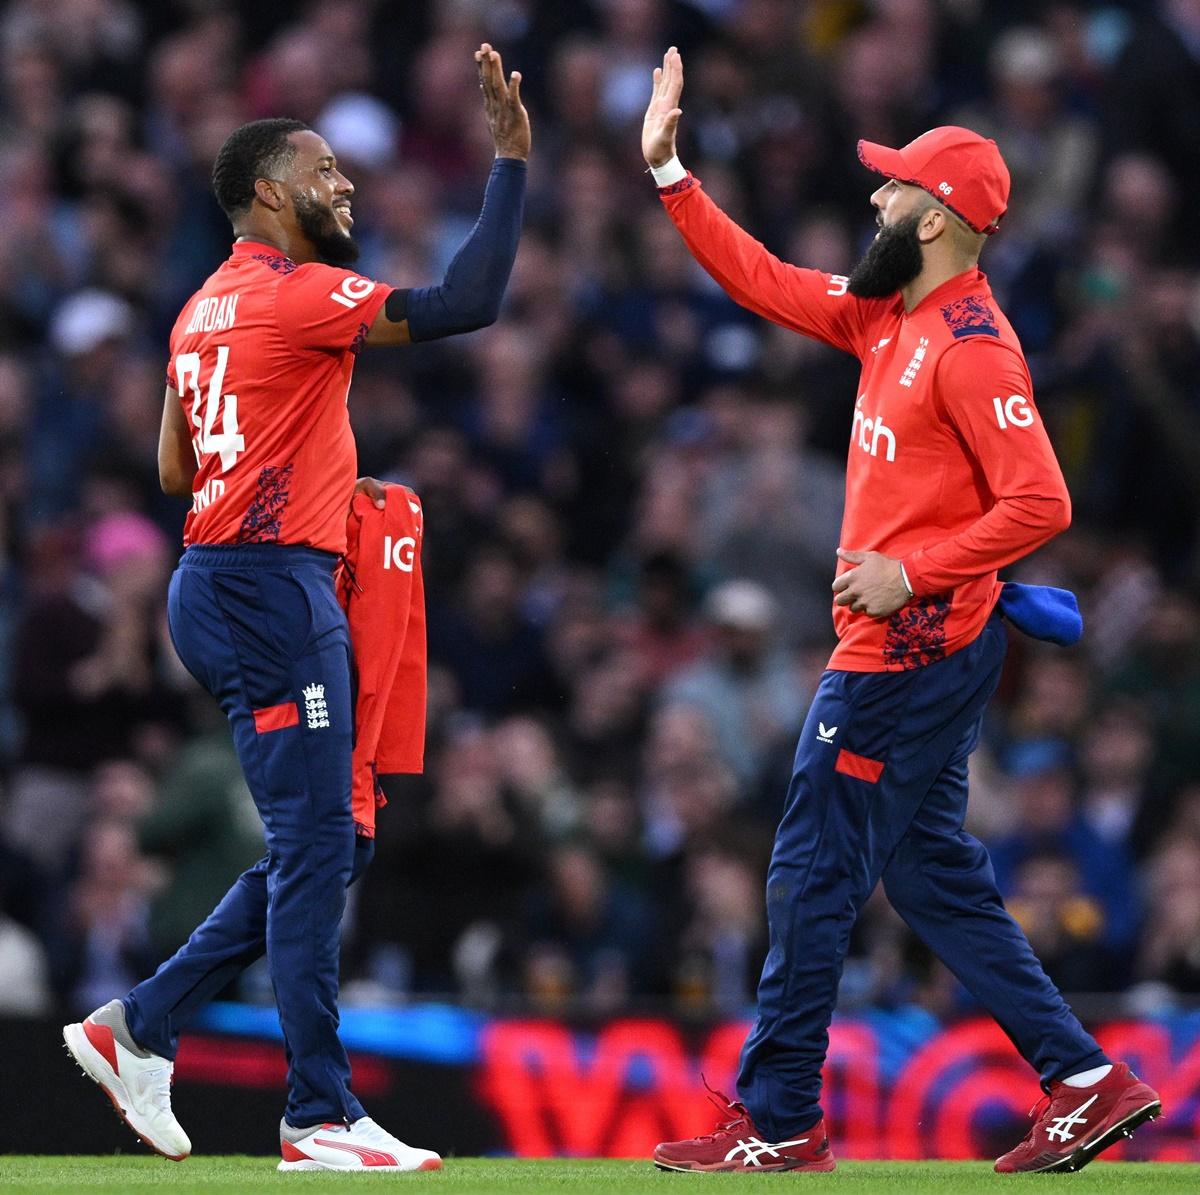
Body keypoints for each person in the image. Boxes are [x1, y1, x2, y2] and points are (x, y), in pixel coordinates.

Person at [641, 47, 1160, 1175]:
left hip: (906, 649)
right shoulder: (888, 315)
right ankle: (1084, 1081)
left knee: (807, 872)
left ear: (934, 219)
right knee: (928, 875)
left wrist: (912, 572)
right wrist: (674, 174)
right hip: (927, 647)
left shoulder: (974, 349)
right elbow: (771, 279)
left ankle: (778, 1117)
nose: (873, 193)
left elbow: (1044, 498)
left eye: (892, 184)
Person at [62, 43, 530, 1173]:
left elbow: (179, 468)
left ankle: (140, 1024)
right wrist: (510, 161)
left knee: (333, 838)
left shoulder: (197, 310)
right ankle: (316, 1109)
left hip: (221, 576)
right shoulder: (300, 292)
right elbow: (468, 301)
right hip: (273, 585)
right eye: (326, 169)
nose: (349, 185)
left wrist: (304, 461)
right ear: (268, 190)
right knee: (324, 838)